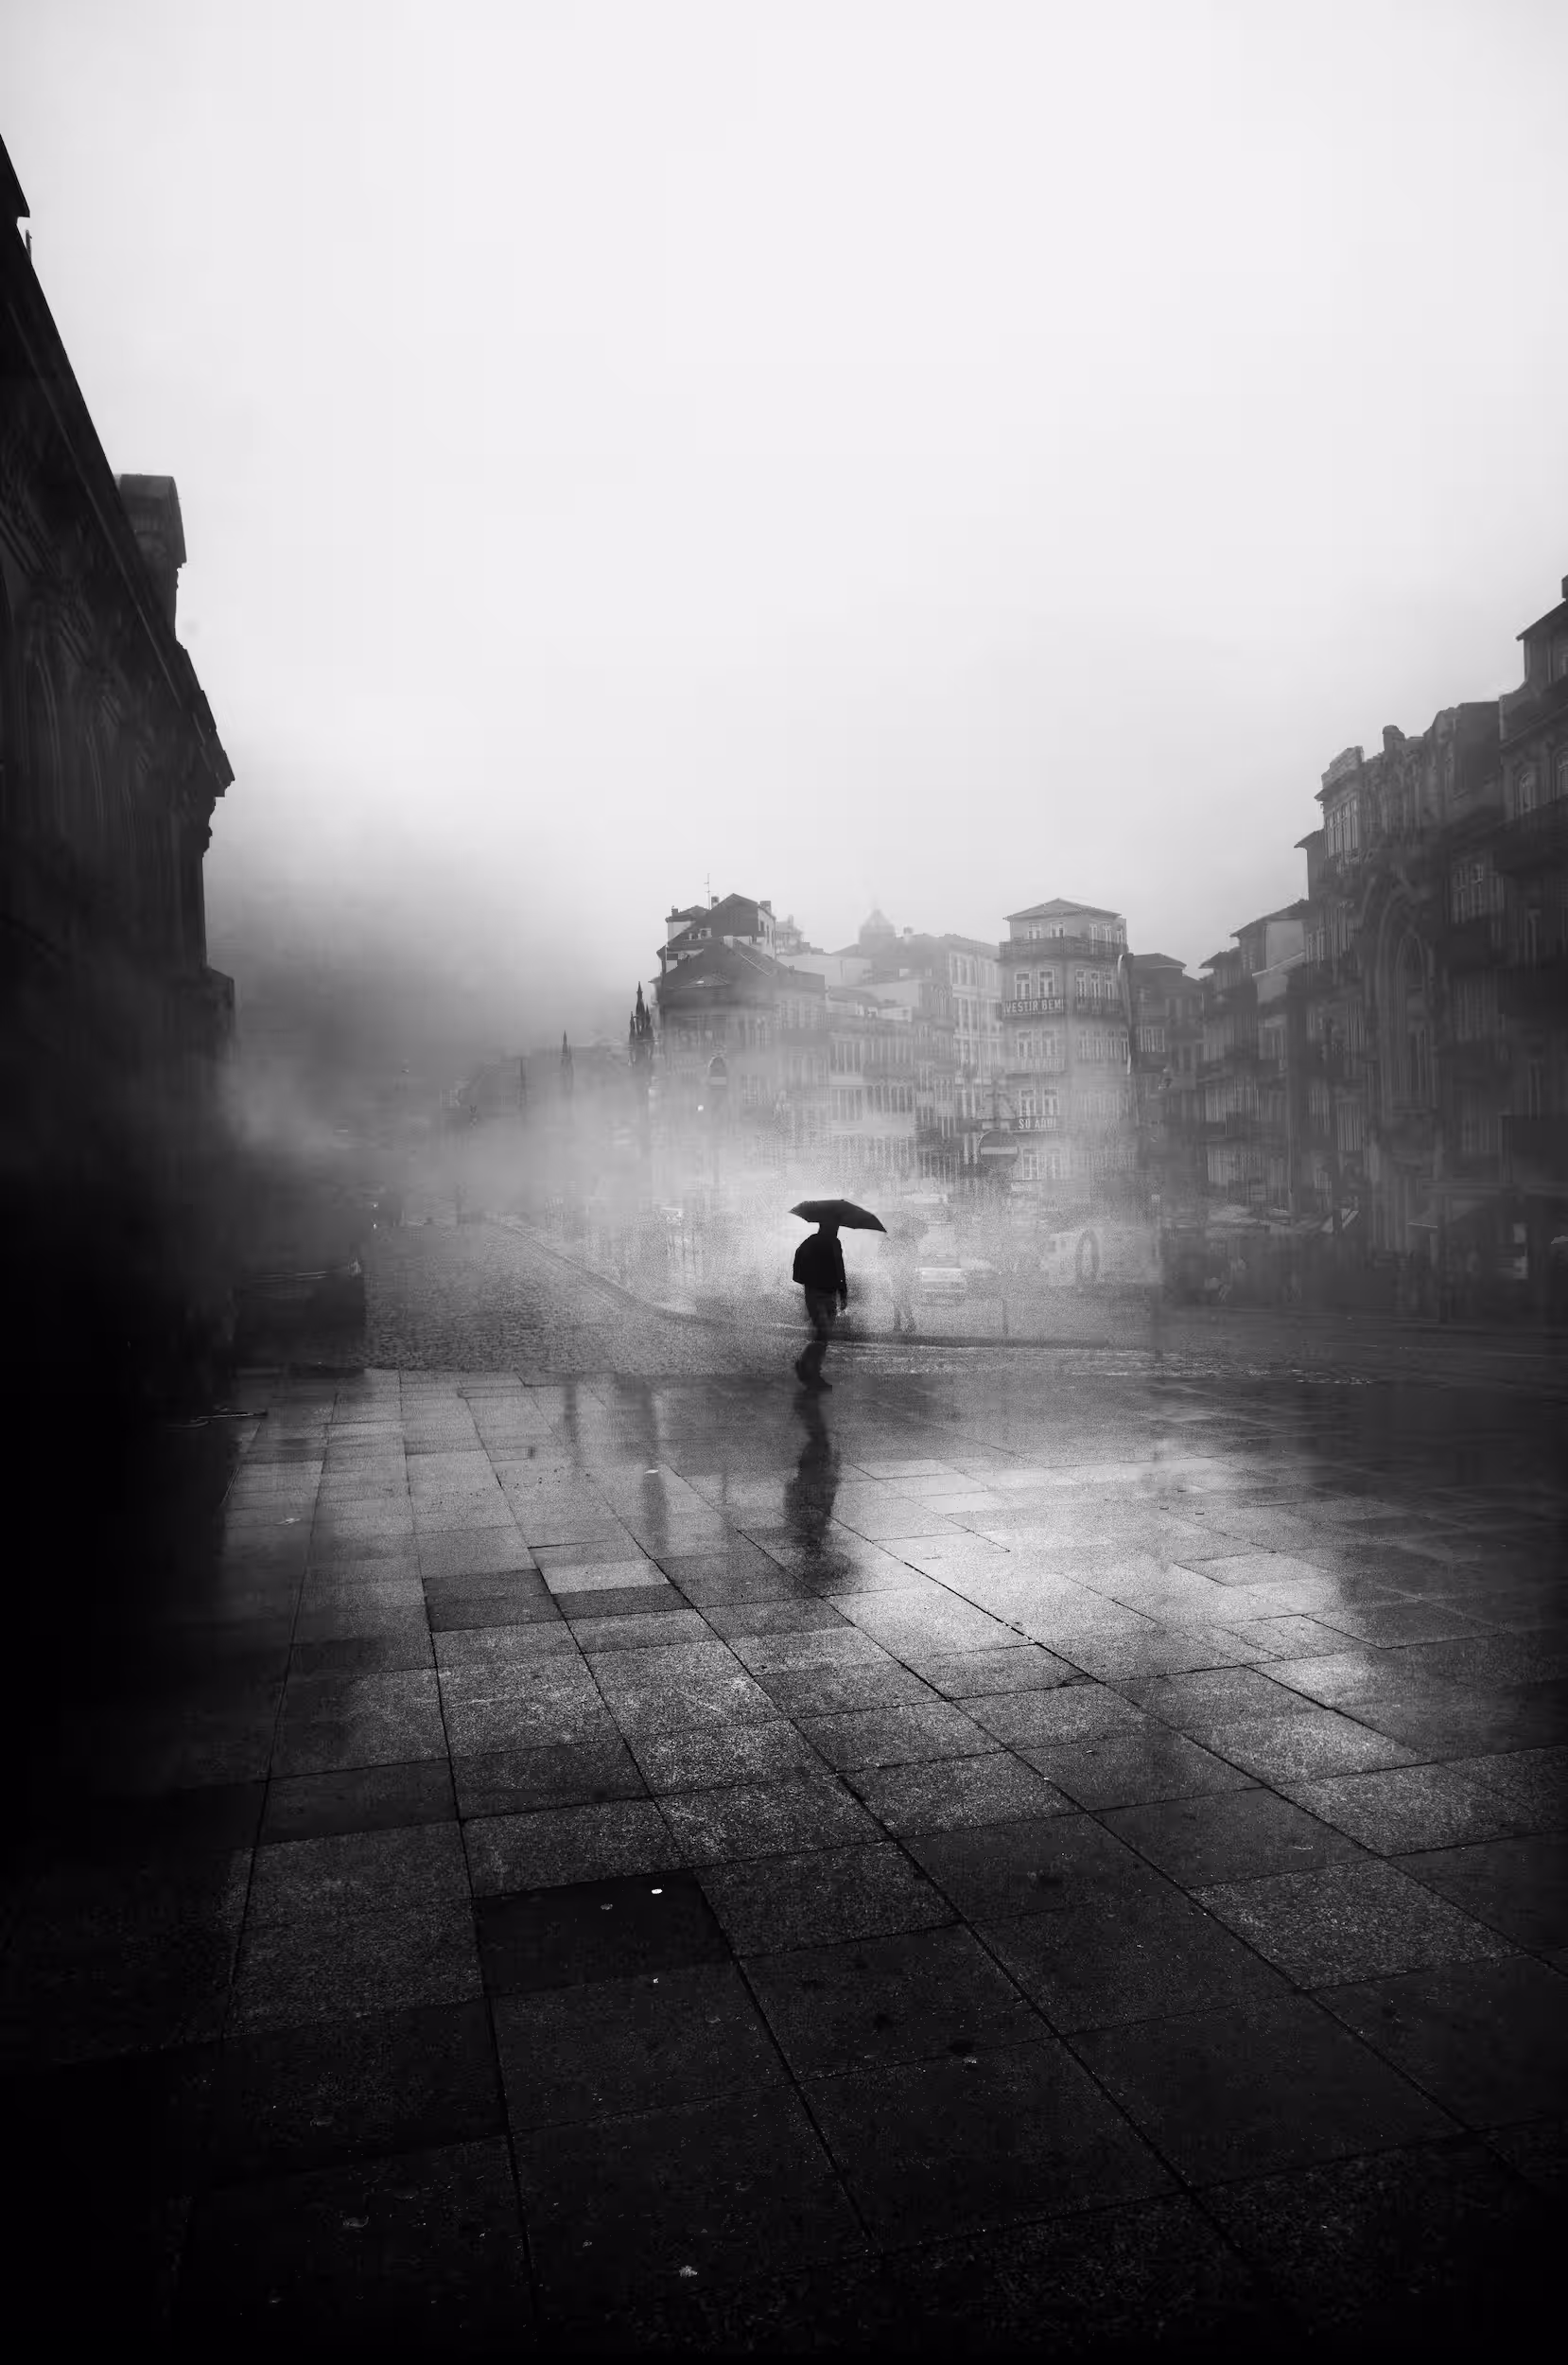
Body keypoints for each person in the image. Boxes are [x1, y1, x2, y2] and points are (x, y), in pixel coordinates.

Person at [793, 1218, 847, 1390]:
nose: (837, 1229)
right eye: (835, 1226)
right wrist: (843, 1293)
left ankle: (810, 1368)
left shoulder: (815, 1242)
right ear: (828, 1227)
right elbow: (840, 1270)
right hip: (821, 1294)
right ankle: (808, 1368)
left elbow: (839, 1268)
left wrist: (842, 1292)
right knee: (822, 1332)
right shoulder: (827, 1243)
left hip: (820, 1294)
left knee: (823, 1333)